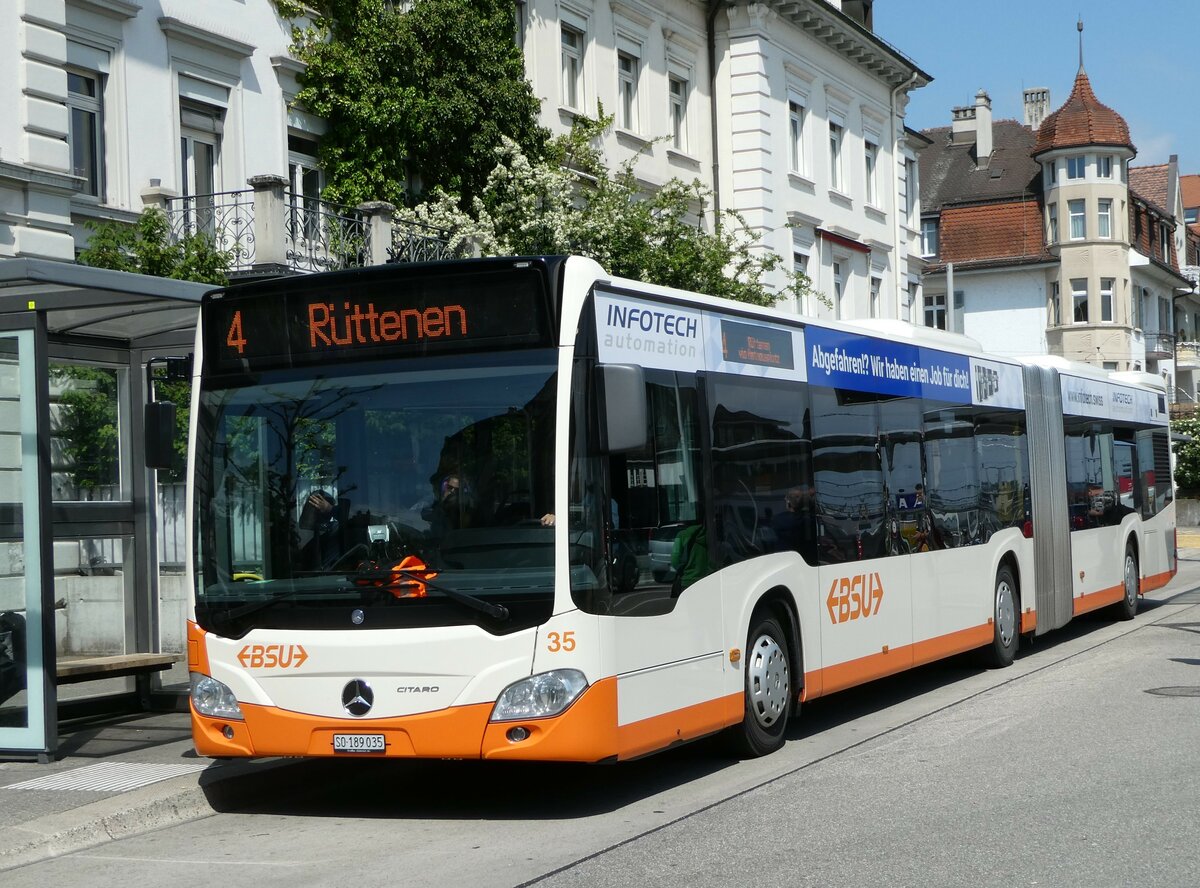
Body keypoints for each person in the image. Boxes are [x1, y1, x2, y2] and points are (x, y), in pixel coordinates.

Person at [670, 522, 709, 595]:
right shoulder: (710, 533)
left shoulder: (682, 535)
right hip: (707, 579)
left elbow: (675, 560)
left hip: (688, 580)